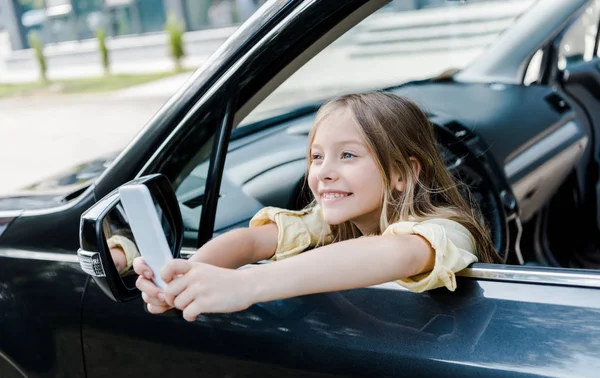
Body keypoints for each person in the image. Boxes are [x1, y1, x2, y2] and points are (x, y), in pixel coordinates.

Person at [125, 92, 499, 322]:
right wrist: (186, 277)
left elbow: (400, 252)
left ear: (402, 174)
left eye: (348, 155)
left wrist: (248, 284)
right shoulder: (332, 221)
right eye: (317, 157)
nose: (324, 172)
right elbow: (251, 243)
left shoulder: (445, 232)